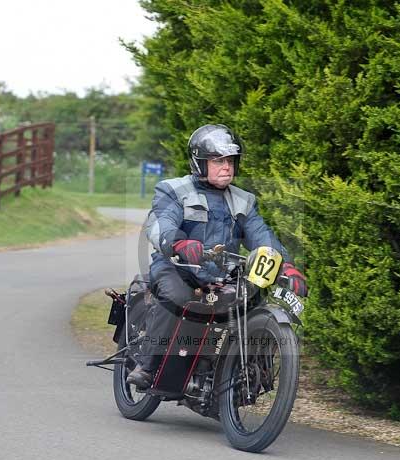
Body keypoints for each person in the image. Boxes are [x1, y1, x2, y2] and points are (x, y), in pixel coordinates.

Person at [127, 124, 308, 388]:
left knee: (251, 303)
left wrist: (286, 266)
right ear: (200, 163)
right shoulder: (174, 190)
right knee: (177, 298)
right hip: (177, 267)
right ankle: (147, 364)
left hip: (220, 275)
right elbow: (160, 224)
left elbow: (262, 236)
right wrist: (178, 243)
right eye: (218, 160)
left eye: (231, 161)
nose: (227, 167)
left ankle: (236, 374)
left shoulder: (243, 201)